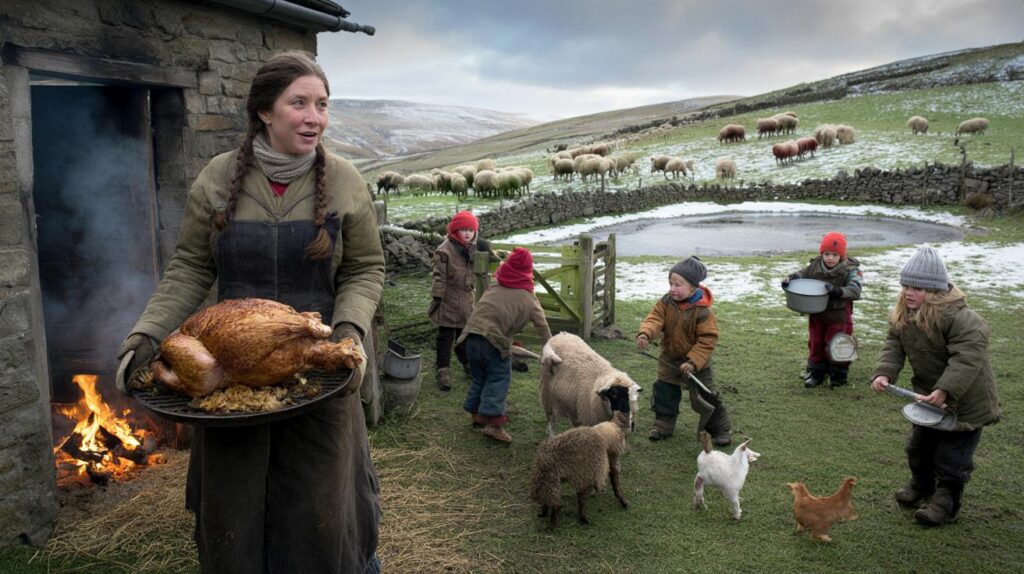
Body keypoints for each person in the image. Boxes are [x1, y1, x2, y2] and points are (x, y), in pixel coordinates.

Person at [115, 52, 384, 573]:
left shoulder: (346, 180)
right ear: (264, 111)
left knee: (322, 506)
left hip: (316, 368)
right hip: (229, 377)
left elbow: (366, 269)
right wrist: (146, 335)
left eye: (322, 105)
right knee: (234, 507)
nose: (314, 117)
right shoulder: (218, 179)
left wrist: (347, 335)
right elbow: (191, 267)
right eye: (299, 103)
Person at [870, 244, 1001, 526]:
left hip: (964, 402)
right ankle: (921, 486)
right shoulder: (904, 313)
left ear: (935, 290)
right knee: (918, 448)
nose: (908, 292)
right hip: (929, 398)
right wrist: (884, 372)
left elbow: (966, 359)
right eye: (906, 285)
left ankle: (946, 502)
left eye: (917, 287)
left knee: (951, 456)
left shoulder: (963, 320)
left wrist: (946, 390)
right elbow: (894, 344)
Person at [457, 247, 551, 443]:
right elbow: (542, 326)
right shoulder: (529, 298)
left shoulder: (495, 285)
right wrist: (551, 347)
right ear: (528, 271)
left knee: (480, 377)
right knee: (498, 379)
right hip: (495, 342)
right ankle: (495, 424)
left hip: (471, 336)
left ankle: (477, 413)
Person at [636, 256, 732, 445]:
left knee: (706, 395)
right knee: (665, 392)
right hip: (670, 359)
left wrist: (693, 362)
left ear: (693, 288)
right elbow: (654, 318)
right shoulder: (665, 302)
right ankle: (663, 424)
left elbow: (707, 340)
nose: (672, 288)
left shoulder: (703, 312)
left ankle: (719, 428)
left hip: (698, 365)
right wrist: (645, 334)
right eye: (671, 283)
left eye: (678, 284)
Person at [781, 231, 862, 389]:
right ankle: (816, 372)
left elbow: (855, 289)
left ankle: (838, 375)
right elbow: (802, 274)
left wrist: (838, 292)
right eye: (827, 254)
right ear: (822, 253)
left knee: (838, 344)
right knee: (815, 343)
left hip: (839, 316)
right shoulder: (815, 266)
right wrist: (791, 279)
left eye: (834, 254)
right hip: (817, 313)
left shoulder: (850, 269)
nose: (830, 258)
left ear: (841, 255)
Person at [429, 210, 490, 391]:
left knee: (464, 336)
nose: (467, 233)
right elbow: (438, 276)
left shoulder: (475, 248)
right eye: (463, 229)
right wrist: (437, 298)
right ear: (455, 230)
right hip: (448, 298)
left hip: (466, 299)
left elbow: (484, 266)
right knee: (445, 337)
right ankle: (443, 370)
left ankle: (467, 364)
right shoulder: (444, 251)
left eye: (471, 230)